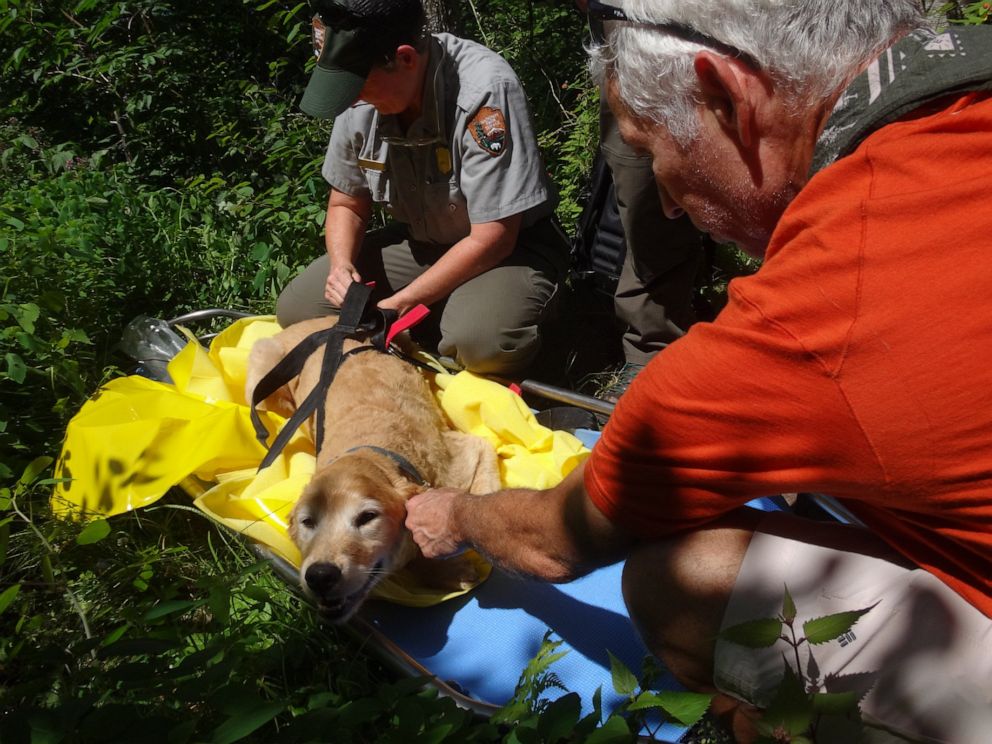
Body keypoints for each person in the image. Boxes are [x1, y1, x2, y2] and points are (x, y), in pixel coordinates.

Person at [406, 1, 992, 741]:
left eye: (651, 150)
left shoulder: (805, 321)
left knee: (683, 575)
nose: (673, 205)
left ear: (724, 98)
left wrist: (454, 513)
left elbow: (556, 540)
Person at [277, 0, 569, 376]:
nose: (351, 99)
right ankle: (437, 318)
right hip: (422, 243)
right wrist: (341, 265)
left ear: (405, 58)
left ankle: (528, 315)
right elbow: (347, 201)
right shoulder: (359, 90)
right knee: (300, 309)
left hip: (508, 248)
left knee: (482, 343)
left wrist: (400, 304)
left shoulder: (483, 91)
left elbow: (493, 237)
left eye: (358, 86)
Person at [578, 0, 714, 399]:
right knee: (643, 199)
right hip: (620, 36)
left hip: (708, 29)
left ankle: (657, 353)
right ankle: (650, 357)